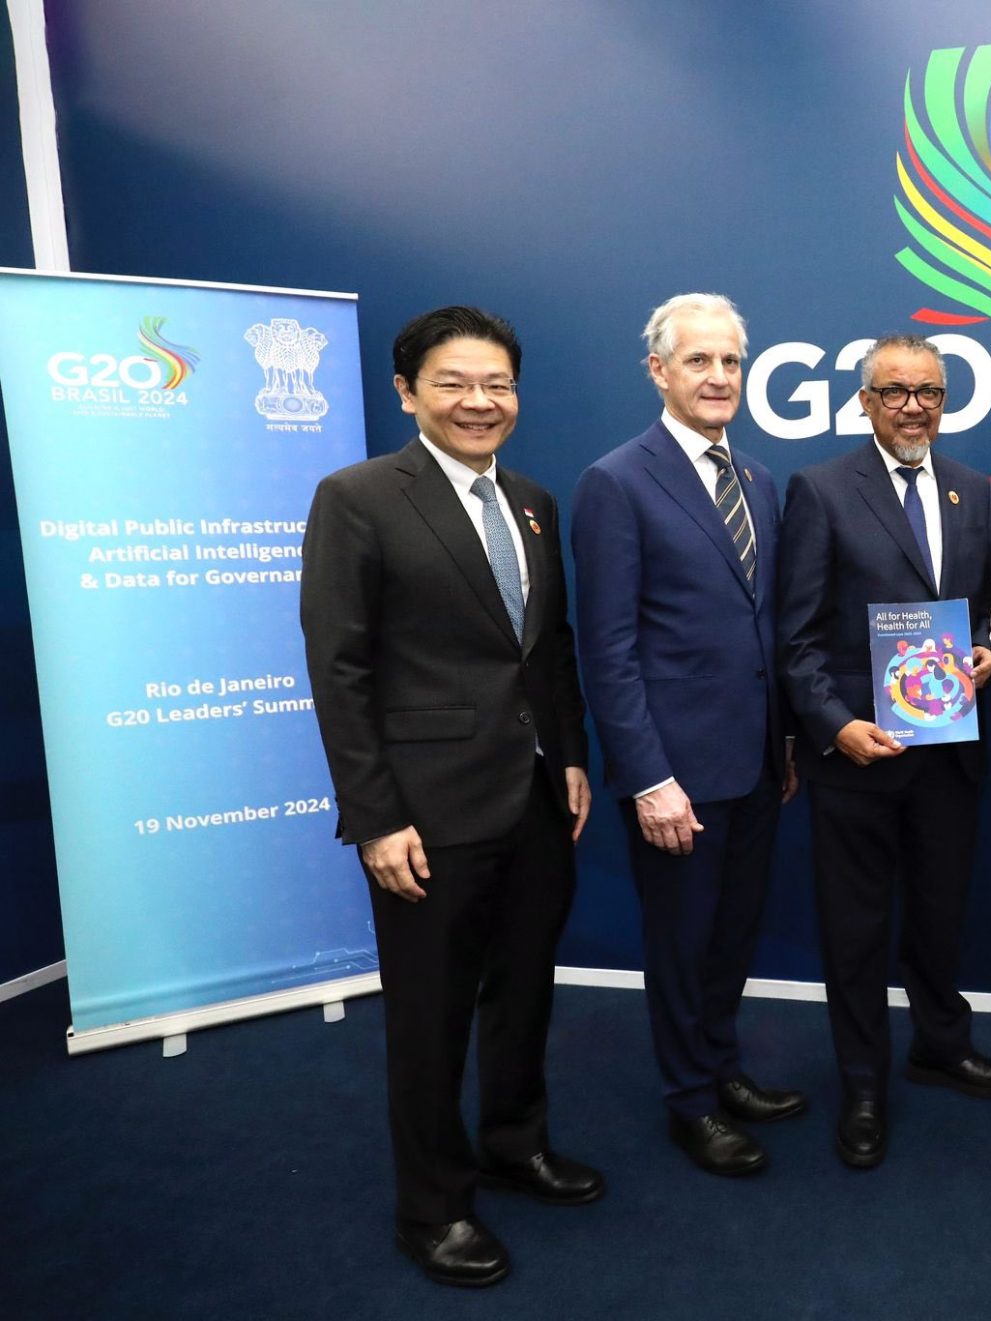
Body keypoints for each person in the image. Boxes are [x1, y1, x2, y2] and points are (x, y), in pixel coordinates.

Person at [300, 306, 602, 1288]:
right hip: (425, 815)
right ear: (407, 392)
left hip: (535, 799)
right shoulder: (356, 498)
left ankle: (516, 1145)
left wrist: (570, 756)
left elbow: (547, 649)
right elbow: (339, 668)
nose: (480, 401)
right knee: (429, 1019)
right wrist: (375, 816)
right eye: (455, 383)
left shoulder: (533, 501)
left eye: (497, 384)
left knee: (525, 991)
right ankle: (432, 1207)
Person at [570, 294, 802, 1180]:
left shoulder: (760, 481)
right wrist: (647, 777)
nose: (718, 377)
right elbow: (609, 648)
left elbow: (763, 626)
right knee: (681, 943)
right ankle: (691, 1102)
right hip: (675, 773)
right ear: (658, 371)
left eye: (730, 361)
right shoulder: (617, 481)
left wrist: (784, 741)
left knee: (733, 934)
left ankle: (722, 1064)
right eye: (698, 360)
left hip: (756, 762)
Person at [778, 333, 991, 1168]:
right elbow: (797, 634)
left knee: (941, 913)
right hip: (858, 755)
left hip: (948, 752)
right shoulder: (820, 490)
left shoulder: (974, 491)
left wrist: (986, 650)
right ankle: (863, 1081)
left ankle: (941, 1045)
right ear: (866, 401)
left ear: (944, 401)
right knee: (855, 930)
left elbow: (989, 608)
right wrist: (833, 723)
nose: (913, 406)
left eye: (929, 392)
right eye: (895, 391)